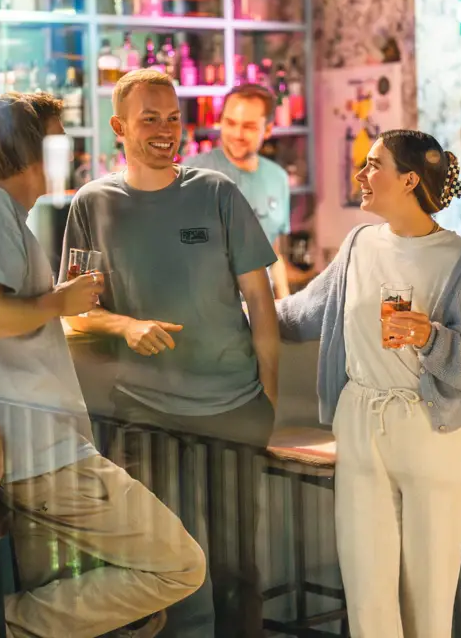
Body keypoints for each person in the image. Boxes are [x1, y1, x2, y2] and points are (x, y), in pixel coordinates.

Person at [0, 92, 205, 638]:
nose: (67, 147)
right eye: (59, 136)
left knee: (85, 601)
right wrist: (61, 302)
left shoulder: (3, 212)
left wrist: (56, 300)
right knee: (180, 565)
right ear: (32, 146)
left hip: (28, 450)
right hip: (39, 452)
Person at [59, 69, 279, 638]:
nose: (164, 130)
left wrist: (267, 400)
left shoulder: (216, 193)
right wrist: (126, 325)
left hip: (231, 408)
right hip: (145, 414)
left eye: (173, 117)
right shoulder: (93, 203)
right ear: (118, 127)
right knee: (153, 566)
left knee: (236, 568)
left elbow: (261, 300)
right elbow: (74, 310)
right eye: (149, 118)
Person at [276, 129, 461, 638]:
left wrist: (433, 338)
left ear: (407, 179)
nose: (361, 175)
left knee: (428, 591)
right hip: (359, 421)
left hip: (431, 430)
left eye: (372, 164)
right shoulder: (359, 244)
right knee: (366, 586)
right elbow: (301, 316)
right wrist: (236, 308)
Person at [187, 83, 291, 298]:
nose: (237, 134)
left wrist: (286, 303)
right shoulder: (192, 173)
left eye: (249, 126)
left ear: (269, 129)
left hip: (262, 310)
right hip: (210, 309)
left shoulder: (278, 178)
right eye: (230, 123)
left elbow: (275, 252)